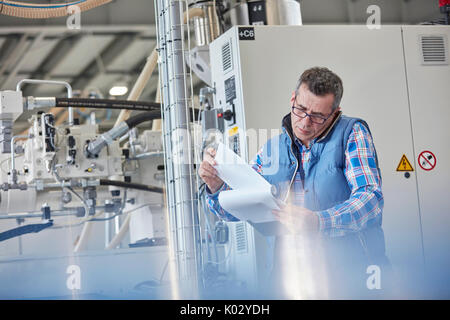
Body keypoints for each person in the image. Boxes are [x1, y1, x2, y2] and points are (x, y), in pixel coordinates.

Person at [198, 67, 390, 298]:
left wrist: (319, 222)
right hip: (292, 281)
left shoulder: (352, 133)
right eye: (300, 109)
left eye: (318, 116)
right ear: (293, 99)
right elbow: (232, 212)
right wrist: (216, 186)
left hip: (352, 280)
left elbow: (371, 200)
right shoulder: (271, 150)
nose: (306, 122)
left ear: (335, 112)